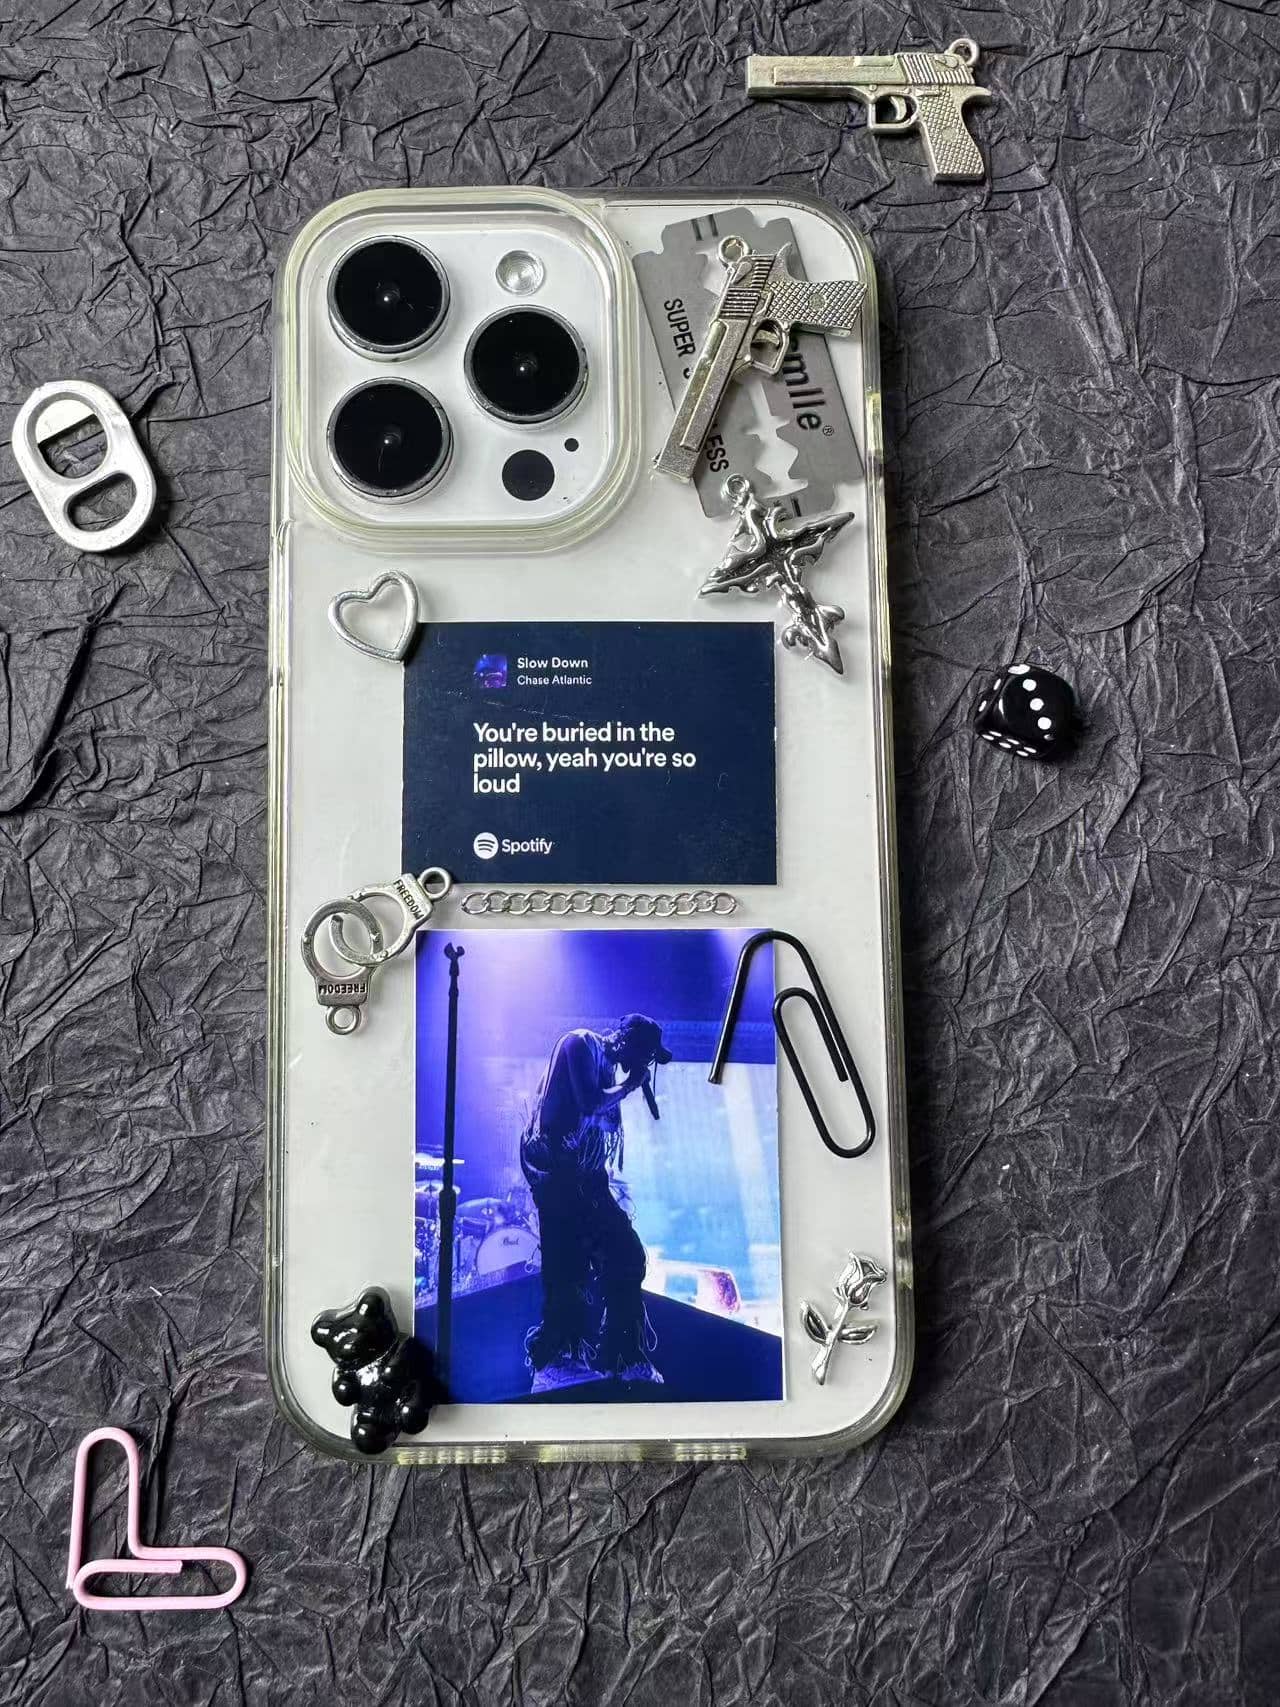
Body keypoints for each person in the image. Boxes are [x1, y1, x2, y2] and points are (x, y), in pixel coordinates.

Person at [520, 1014, 672, 1388]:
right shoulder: (579, 1043)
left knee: (626, 1254)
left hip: (586, 1175)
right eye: (645, 1053)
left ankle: (620, 1355)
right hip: (554, 1170)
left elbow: (606, 1122)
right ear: (625, 1041)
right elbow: (589, 1104)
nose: (645, 1062)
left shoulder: (607, 1067)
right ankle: (551, 1361)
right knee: (566, 1266)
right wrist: (629, 1085)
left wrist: (620, 1090)